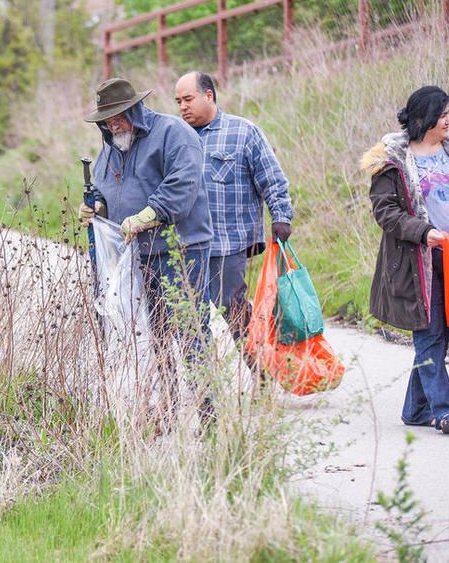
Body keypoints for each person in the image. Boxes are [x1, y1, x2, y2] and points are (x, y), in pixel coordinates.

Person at [79, 77, 214, 424]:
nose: (113, 124)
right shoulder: (110, 148)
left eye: (119, 116)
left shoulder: (173, 133)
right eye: (106, 121)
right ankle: (166, 412)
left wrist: (152, 213)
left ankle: (209, 416)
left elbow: (184, 181)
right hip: (139, 256)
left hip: (181, 250)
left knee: (190, 331)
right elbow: (109, 195)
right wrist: (96, 210)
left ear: (135, 109)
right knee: (155, 335)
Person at [360, 85, 449, 435]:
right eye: (442, 114)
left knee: (443, 332)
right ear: (422, 119)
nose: (448, 120)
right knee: (429, 333)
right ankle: (444, 409)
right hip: (418, 260)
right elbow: (385, 212)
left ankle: (415, 408)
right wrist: (423, 232)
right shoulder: (391, 161)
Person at [174, 71, 294, 377]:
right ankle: (206, 389)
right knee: (191, 319)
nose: (182, 107)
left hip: (228, 243)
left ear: (209, 95)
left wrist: (281, 216)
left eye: (188, 99)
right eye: (178, 102)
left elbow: (273, 179)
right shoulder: (177, 137)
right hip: (186, 246)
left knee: (235, 312)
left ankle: (262, 375)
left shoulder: (243, 132)